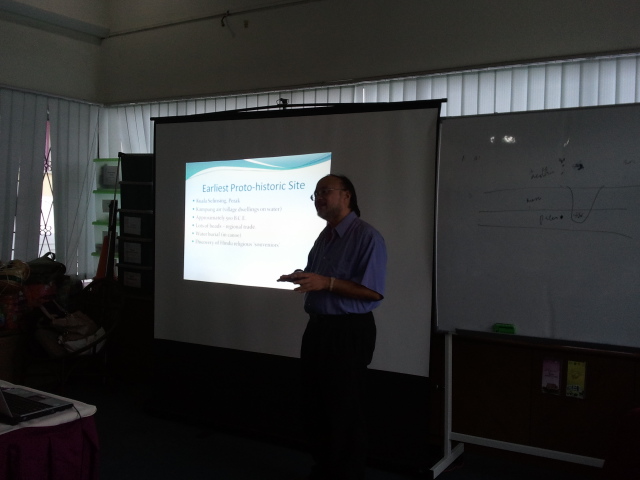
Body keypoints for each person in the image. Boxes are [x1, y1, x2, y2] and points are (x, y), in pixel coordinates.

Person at [279, 173, 387, 480]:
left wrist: (326, 282)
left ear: (347, 196)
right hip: (318, 329)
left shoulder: (367, 237)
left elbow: (373, 292)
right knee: (315, 405)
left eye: (326, 191)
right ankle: (325, 469)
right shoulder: (324, 237)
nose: (319, 198)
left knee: (344, 410)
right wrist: (303, 276)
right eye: (316, 194)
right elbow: (321, 279)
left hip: (348, 331)